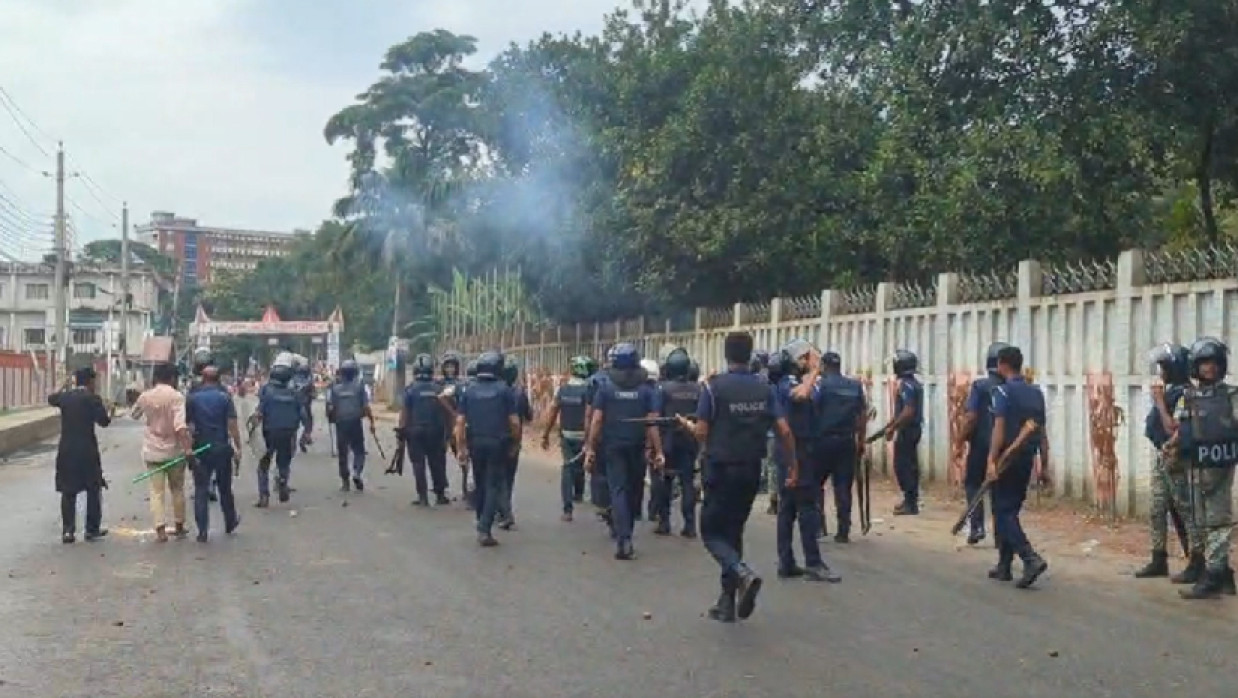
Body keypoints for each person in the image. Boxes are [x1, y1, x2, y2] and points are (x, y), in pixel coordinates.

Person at [680, 331, 795, 622]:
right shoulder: (764, 388)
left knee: (711, 532)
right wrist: (793, 466)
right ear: (749, 353)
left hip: (720, 469)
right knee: (734, 531)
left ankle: (742, 573)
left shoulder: (712, 388)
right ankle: (727, 602)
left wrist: (685, 425)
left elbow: (702, 432)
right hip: (751, 471)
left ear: (726, 354)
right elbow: (784, 431)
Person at [1169, 337, 1238, 599]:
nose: (1208, 368)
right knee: (1200, 522)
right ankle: (1221, 574)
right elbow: (1180, 427)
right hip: (1194, 466)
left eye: (1212, 363)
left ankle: (1213, 577)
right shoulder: (1189, 397)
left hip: (1219, 466)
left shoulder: (1231, 395)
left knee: (1218, 522)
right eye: (1203, 363)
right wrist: (1172, 446)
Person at [584, 343, 664, 560]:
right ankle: (626, 531)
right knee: (633, 490)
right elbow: (652, 422)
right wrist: (658, 451)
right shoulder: (646, 390)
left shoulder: (606, 388)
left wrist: (591, 447)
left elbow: (597, 420)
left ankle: (624, 540)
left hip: (612, 448)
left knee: (618, 490)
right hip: (637, 448)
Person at [773, 340, 839, 582]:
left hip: (801, 449)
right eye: (808, 356)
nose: (814, 359)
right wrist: (814, 371)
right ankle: (813, 562)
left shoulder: (801, 381)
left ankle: (787, 562)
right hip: (795, 450)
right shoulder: (788, 383)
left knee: (788, 508)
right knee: (806, 508)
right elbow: (801, 395)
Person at [987, 345, 1050, 588]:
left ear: (1002, 364)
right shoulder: (1036, 393)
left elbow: (999, 429)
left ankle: (1029, 557)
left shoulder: (1001, 392)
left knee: (1003, 513)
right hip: (1027, 458)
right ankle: (1004, 566)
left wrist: (991, 461)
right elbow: (1042, 433)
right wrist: (1044, 465)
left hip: (1007, 459)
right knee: (1010, 508)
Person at [1134, 343, 1198, 579]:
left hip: (1177, 460)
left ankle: (1197, 560)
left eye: (1165, 367)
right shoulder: (1172, 391)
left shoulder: (1185, 394)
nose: (1161, 372)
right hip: (1162, 457)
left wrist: (1159, 402)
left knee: (1185, 510)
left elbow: (1173, 427)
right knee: (1157, 509)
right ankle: (1158, 558)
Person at [455, 351, 520, 546]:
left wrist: (461, 447)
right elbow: (515, 422)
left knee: (480, 482)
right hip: (498, 443)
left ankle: (480, 520)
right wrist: (515, 443)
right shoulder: (504, 390)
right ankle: (484, 528)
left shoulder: (469, 390)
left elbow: (460, 423)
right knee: (493, 484)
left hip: (476, 443)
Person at [132, 362, 196, 542]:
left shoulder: (146, 397)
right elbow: (180, 426)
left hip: (152, 451)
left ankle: (160, 530)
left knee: (156, 492)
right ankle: (179, 525)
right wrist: (188, 449)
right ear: (173, 378)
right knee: (177, 489)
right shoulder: (176, 397)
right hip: (174, 452)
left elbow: (134, 414)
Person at [49, 367, 113, 543]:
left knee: (68, 491)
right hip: (87, 451)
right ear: (91, 382)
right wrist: (110, 410)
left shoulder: (65, 398)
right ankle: (91, 529)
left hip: (67, 450)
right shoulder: (93, 399)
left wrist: (62, 385)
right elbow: (104, 422)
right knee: (93, 488)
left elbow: (51, 398)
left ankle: (68, 531)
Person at [956, 342, 1010, 546]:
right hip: (1005, 448)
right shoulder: (1012, 388)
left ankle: (977, 526)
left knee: (972, 483)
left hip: (981, 445)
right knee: (1000, 492)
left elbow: (970, 417)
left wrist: (959, 441)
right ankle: (1001, 534)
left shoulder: (980, 386)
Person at [185, 365, 243, 542]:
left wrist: (188, 448)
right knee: (224, 488)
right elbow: (232, 424)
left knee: (201, 489)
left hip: (201, 448)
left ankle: (202, 530)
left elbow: (188, 426)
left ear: (203, 378)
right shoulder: (225, 397)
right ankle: (230, 521)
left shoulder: (192, 398)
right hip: (221, 447)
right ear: (218, 379)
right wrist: (238, 447)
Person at [815, 350, 867, 544]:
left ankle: (819, 527)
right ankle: (843, 530)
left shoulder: (821, 386)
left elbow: (813, 411)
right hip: (846, 441)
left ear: (824, 366)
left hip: (823, 442)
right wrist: (861, 441)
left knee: (815, 484)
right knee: (843, 486)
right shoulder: (854, 386)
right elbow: (861, 417)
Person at [651, 348, 701, 538]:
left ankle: (664, 522)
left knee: (665, 481)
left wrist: (655, 448)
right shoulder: (698, 389)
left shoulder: (663, 389)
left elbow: (655, 418)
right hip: (691, 440)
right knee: (687, 482)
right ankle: (690, 525)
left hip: (668, 441)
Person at [541, 355, 594, 522]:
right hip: (584, 435)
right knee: (580, 464)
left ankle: (567, 508)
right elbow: (590, 415)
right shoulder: (590, 390)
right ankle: (579, 494)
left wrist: (546, 434)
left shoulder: (562, 390)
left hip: (566, 434)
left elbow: (553, 412)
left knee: (568, 467)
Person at [252, 361, 309, 507]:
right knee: (284, 462)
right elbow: (303, 414)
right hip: (289, 432)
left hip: (270, 432)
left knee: (264, 463)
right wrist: (306, 431)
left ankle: (264, 495)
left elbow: (260, 411)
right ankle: (283, 482)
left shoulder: (266, 390)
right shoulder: (294, 393)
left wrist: (253, 427)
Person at [401, 353, 451, 506]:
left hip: (415, 431)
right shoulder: (439, 388)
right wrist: (448, 432)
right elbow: (446, 411)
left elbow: (405, 413)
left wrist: (401, 431)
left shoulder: (410, 389)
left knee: (418, 463)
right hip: (435, 431)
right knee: (437, 462)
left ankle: (422, 497)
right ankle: (440, 494)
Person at [882, 349, 923, 515]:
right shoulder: (914, 383)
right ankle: (910, 500)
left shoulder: (906, 385)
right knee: (910, 465)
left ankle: (910, 502)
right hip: (911, 429)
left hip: (908, 430)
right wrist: (891, 424)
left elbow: (908, 411)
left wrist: (893, 427)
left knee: (903, 466)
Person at [327, 359, 375, 492]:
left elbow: (331, 408)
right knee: (359, 451)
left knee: (343, 454)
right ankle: (357, 472)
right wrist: (371, 423)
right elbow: (366, 407)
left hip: (341, 424)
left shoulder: (335, 389)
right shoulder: (359, 387)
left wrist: (331, 419)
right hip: (355, 423)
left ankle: (345, 482)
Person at [496, 359, 533, 529]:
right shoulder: (520, 393)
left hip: (499, 437)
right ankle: (504, 509)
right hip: (515, 439)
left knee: (498, 478)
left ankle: (504, 512)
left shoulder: (497, 391)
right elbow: (529, 416)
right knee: (508, 478)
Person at [291, 362, 316, 452]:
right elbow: (313, 394)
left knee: (293, 425)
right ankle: (304, 439)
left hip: (293, 406)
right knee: (308, 424)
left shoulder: (293, 380)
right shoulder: (309, 381)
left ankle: (294, 442)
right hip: (305, 406)